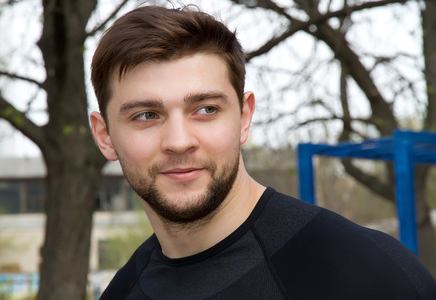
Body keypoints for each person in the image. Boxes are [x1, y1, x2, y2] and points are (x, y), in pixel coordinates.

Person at [90, 5, 436, 300]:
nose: (179, 141)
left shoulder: (367, 273)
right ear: (104, 136)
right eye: (147, 116)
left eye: (206, 109)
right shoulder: (122, 293)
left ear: (244, 117)